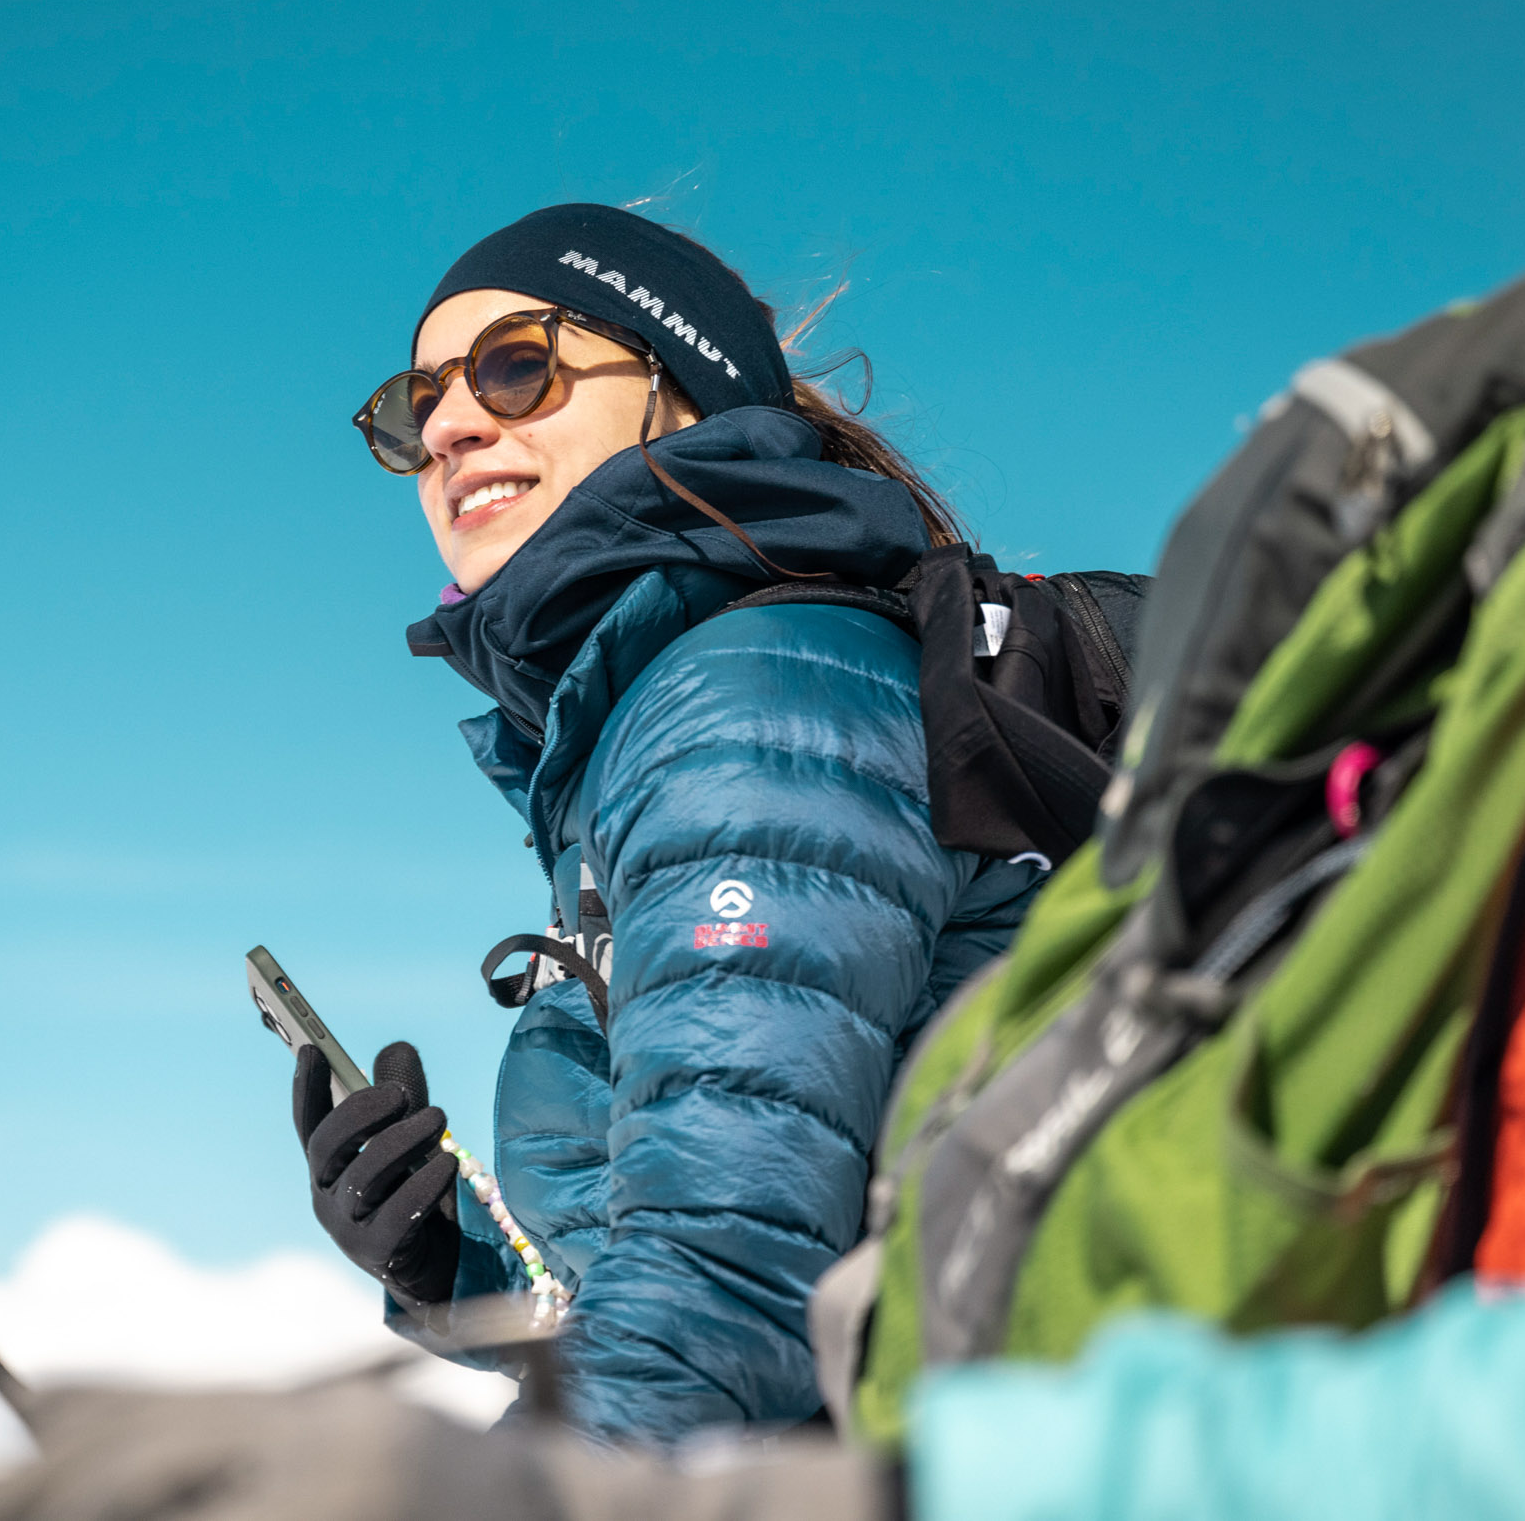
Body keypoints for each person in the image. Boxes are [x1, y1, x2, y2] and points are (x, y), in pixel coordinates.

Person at [291, 203, 1047, 1444]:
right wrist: (454, 1268)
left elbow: (731, 1283)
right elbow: (720, 1243)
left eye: (514, 367)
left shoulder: (749, 696)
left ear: (680, 392)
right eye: (411, 403)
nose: (445, 426)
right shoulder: (649, 711)